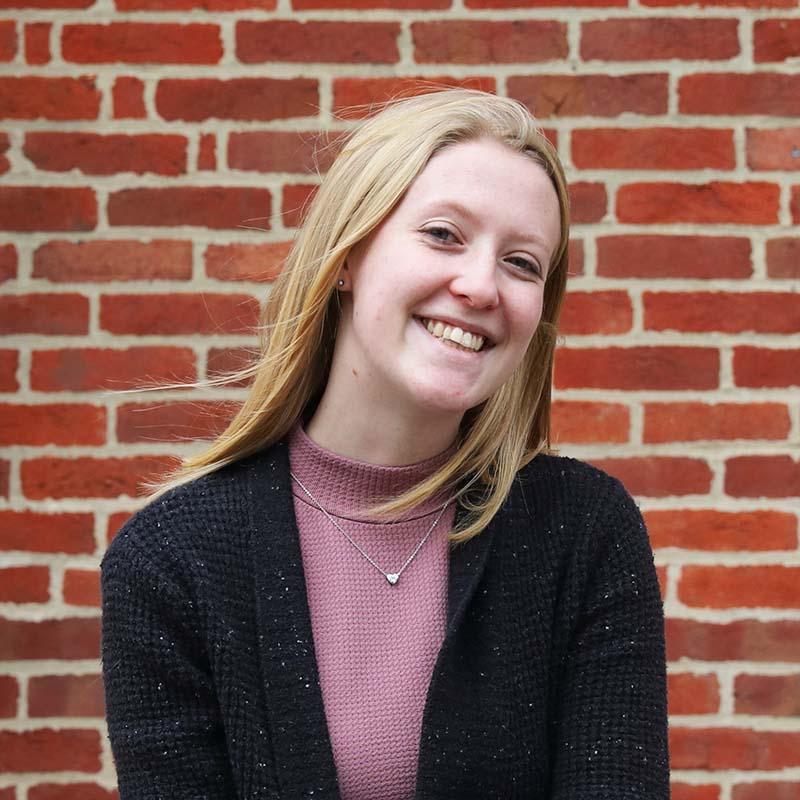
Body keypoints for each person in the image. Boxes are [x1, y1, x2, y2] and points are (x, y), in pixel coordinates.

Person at [100, 88, 670, 799]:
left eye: (523, 263)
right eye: (443, 234)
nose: (480, 284)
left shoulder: (583, 533)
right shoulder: (171, 562)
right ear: (346, 256)